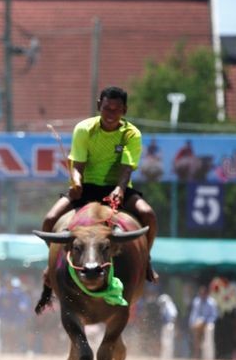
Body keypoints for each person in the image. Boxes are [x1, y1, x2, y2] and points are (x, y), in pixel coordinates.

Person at [41, 85, 159, 283]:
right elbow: (77, 165)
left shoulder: (131, 134)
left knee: (148, 215)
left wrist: (119, 189)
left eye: (116, 109)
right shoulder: (84, 129)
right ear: (99, 106)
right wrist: (76, 182)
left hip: (117, 189)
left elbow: (127, 168)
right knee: (49, 219)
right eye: (106, 108)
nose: (111, 114)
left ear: (124, 110)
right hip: (86, 189)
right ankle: (55, 263)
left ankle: (146, 258)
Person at [188, 284, 218, 359]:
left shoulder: (212, 302)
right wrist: (192, 323)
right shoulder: (197, 301)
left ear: (207, 294)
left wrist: (206, 322)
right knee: (196, 337)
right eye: (201, 293)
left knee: (208, 331)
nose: (202, 295)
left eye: (204, 293)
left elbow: (214, 315)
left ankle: (208, 357)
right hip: (198, 324)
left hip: (208, 323)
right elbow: (194, 313)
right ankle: (197, 355)